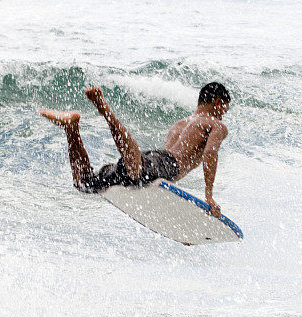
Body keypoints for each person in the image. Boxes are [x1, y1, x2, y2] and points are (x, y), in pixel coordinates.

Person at [39, 82, 230, 217]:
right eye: (224, 109)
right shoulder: (215, 124)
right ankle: (104, 109)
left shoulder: (180, 124)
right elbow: (210, 153)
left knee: (84, 183)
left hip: (154, 160)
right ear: (217, 102)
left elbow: (158, 176)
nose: (223, 114)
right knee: (135, 169)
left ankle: (71, 128)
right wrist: (209, 196)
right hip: (163, 164)